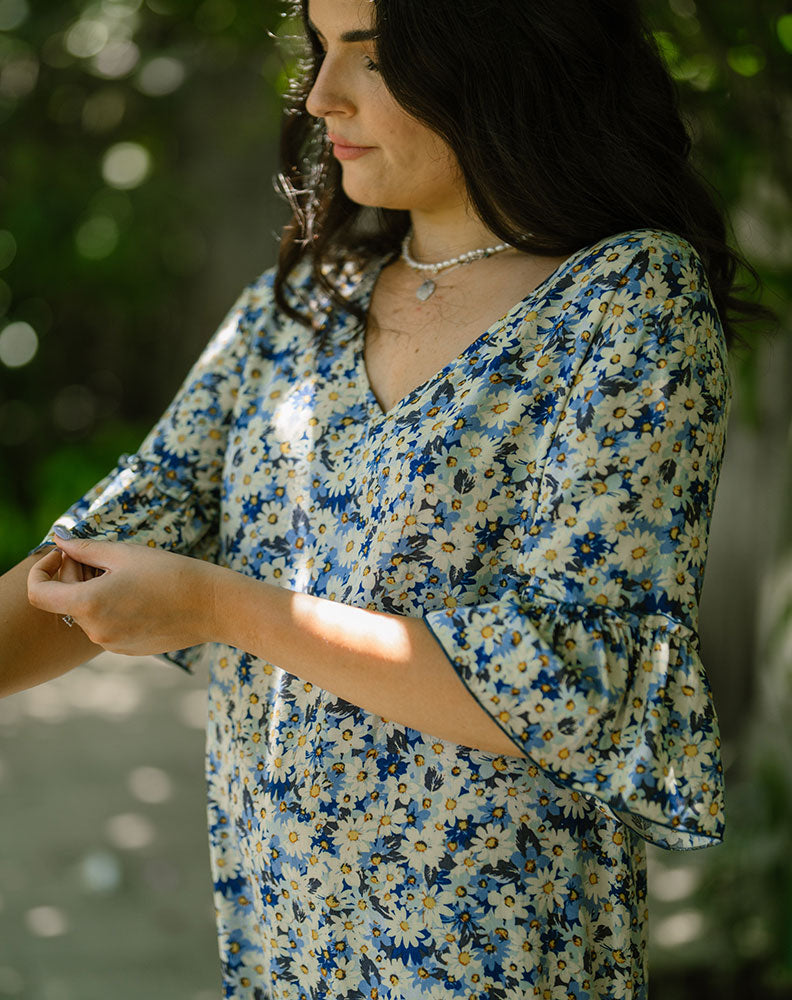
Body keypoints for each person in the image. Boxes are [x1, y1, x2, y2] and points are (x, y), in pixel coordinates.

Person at [0, 0, 768, 997]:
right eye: (319, 52)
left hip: (496, 953)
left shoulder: (625, 302)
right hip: (285, 941)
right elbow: (97, 555)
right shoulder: (301, 306)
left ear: (499, 54)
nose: (321, 95)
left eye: (373, 55)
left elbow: (572, 675)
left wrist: (219, 605)